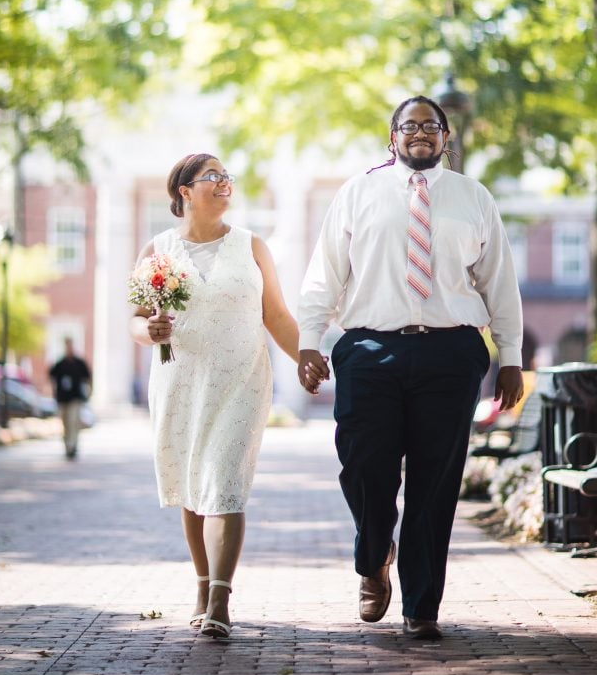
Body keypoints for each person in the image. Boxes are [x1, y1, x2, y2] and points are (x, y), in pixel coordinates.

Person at [298, 96, 523, 641]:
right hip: (371, 349)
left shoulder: (474, 198)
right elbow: (325, 273)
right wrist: (310, 342)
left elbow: (499, 282)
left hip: (450, 352)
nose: (420, 132)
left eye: (430, 125)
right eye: (409, 125)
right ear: (391, 137)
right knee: (364, 467)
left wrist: (510, 356)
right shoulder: (358, 192)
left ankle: (422, 604)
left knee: (435, 481)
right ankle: (374, 555)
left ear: (447, 137)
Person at [130, 153, 329, 640]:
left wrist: (305, 353)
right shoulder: (157, 250)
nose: (224, 184)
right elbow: (136, 320)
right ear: (184, 191)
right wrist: (149, 331)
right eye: (212, 177)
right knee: (193, 485)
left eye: (226, 177)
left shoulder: (251, 246)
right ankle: (202, 585)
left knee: (224, 482)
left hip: (241, 379)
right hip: (180, 381)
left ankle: (220, 597)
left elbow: (276, 315)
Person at [49, 337, 92, 460]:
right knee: (65, 424)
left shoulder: (79, 363)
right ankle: (67, 445)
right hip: (62, 399)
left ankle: (73, 445)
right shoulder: (60, 363)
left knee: (73, 421)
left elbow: (88, 377)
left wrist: (89, 392)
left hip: (75, 398)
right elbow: (51, 377)